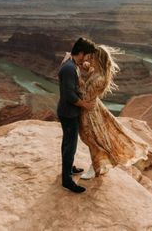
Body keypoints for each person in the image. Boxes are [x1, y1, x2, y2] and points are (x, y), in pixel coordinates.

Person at [78, 45, 152, 179]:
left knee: (94, 140)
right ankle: (101, 163)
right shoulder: (96, 69)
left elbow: (85, 95)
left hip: (91, 112)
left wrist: (75, 79)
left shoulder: (100, 78)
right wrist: (77, 60)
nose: (89, 58)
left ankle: (96, 167)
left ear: (98, 59)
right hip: (93, 108)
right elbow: (86, 66)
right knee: (94, 138)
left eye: (91, 56)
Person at [57, 37, 97, 193]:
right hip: (68, 113)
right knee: (70, 146)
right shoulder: (68, 68)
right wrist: (85, 105)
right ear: (81, 53)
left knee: (68, 143)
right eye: (87, 55)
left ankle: (69, 168)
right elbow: (69, 95)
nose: (88, 59)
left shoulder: (72, 64)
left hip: (69, 112)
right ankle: (67, 180)